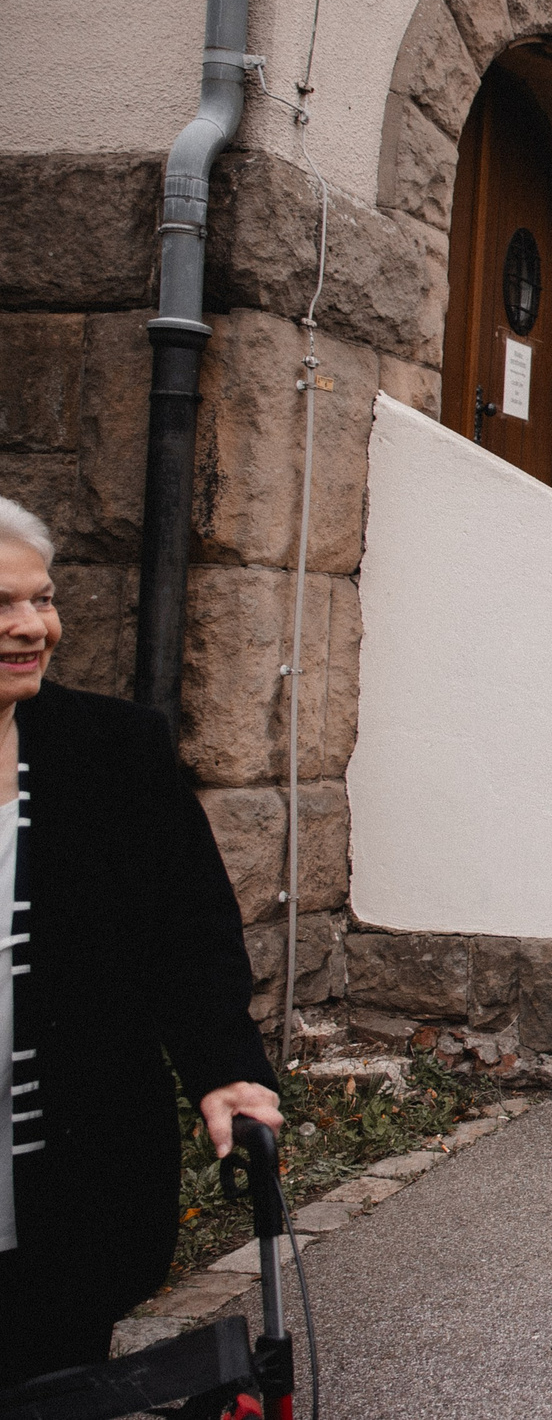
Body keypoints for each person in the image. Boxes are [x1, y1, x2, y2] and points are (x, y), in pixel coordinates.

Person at [0, 498, 280, 1388]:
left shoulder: (111, 751)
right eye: (2, 606)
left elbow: (187, 934)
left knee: (55, 1368)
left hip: (67, 1178)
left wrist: (225, 1066)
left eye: (41, 600)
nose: (31, 627)